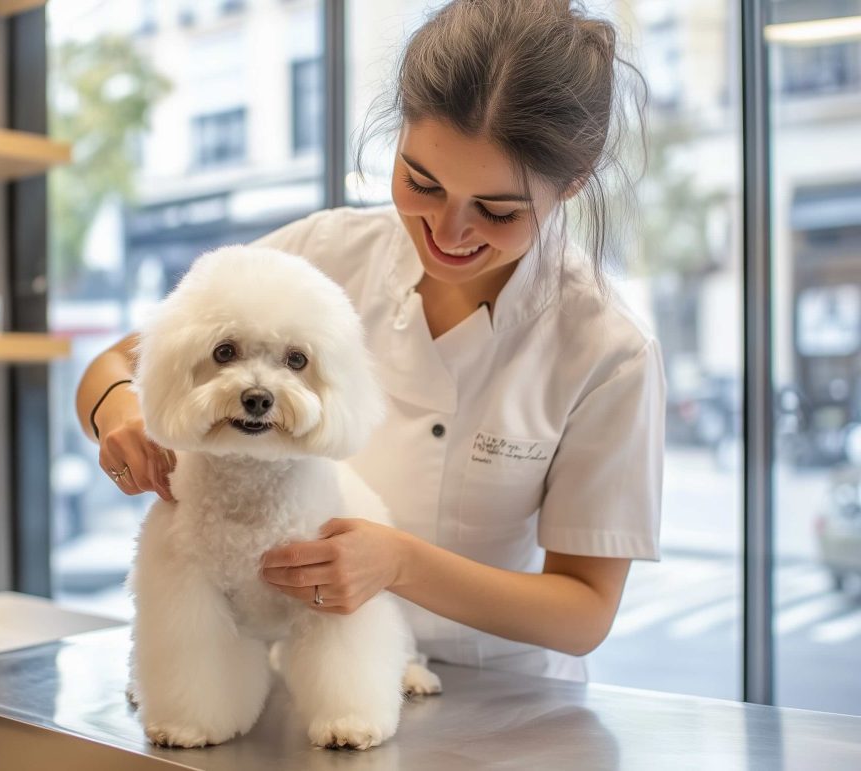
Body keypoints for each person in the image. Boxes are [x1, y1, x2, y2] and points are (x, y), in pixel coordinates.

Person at [76, 0, 664, 682]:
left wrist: (400, 563)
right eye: (421, 182)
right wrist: (116, 412)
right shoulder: (323, 254)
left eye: (498, 211)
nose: (447, 232)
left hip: (501, 704)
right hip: (299, 674)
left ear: (574, 181)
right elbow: (115, 364)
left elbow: (584, 610)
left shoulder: (606, 349)